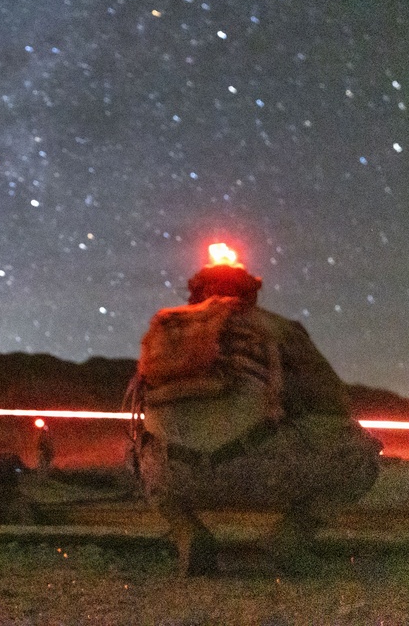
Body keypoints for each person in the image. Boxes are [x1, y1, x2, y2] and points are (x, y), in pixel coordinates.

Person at [126, 244, 382, 576]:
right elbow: (332, 401)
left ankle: (187, 532)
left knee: (133, 451)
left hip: (174, 475)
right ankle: (287, 538)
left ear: (195, 292)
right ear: (249, 293)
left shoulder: (164, 328)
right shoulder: (278, 327)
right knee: (362, 456)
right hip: (260, 472)